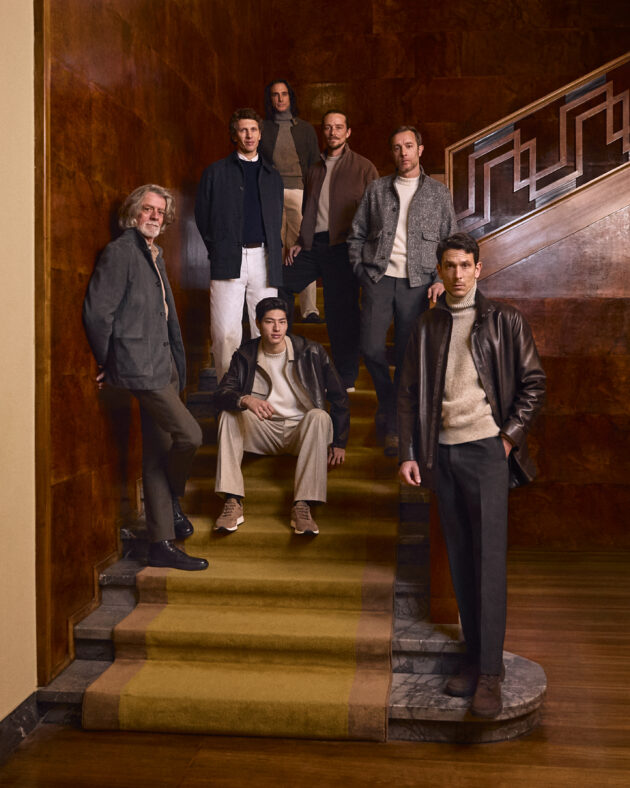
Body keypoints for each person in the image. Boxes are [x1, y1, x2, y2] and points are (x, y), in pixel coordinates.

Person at [397, 232, 545, 718]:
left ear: (478, 269)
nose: (458, 274)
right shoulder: (426, 326)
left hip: (486, 451)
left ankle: (490, 673)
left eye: (465, 265)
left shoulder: (505, 320)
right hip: (442, 453)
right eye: (450, 266)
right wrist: (409, 452)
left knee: (488, 562)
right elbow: (408, 393)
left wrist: (507, 439)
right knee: (461, 560)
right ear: (440, 271)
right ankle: (473, 655)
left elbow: (534, 383)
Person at [83, 184, 208, 571]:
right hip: (141, 367)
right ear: (133, 212)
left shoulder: (153, 254)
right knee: (191, 435)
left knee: (156, 453)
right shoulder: (121, 251)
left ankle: (160, 543)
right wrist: (108, 361)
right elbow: (98, 313)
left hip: (164, 364)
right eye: (148, 209)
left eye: (160, 212)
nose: (155, 216)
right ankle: (171, 499)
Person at [348, 125, 458, 455]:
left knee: (408, 355)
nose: (403, 153)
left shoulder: (439, 193)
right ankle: (389, 403)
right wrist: (361, 271)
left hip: (419, 284)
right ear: (392, 152)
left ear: (420, 150)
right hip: (379, 279)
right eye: (397, 147)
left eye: (409, 146)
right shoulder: (377, 189)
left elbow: (450, 241)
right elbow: (356, 234)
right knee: (370, 348)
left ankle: (394, 421)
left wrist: (440, 280)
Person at [213, 296, 349, 536]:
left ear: (287, 324)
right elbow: (222, 393)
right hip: (263, 430)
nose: (276, 328)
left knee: (319, 416)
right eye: (269, 322)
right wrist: (245, 399)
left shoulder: (311, 351)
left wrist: (339, 441)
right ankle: (233, 501)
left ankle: (303, 505)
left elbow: (339, 396)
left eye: (282, 322)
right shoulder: (245, 354)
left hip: (301, 431)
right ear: (258, 323)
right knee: (229, 414)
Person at [282, 110, 379, 390]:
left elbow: (377, 212)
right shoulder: (314, 169)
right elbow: (309, 209)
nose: (332, 132)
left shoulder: (364, 167)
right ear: (323, 132)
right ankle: (283, 354)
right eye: (327, 127)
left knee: (341, 313)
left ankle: (346, 378)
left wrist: (365, 250)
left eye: (338, 127)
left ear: (348, 132)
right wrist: (300, 241)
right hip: (313, 245)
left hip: (344, 247)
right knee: (280, 284)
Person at [195, 108, 284, 382]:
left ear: (260, 134)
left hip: (264, 259)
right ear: (235, 135)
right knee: (225, 333)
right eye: (243, 130)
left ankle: (264, 391)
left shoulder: (273, 176)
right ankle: (228, 392)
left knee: (266, 330)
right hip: (227, 257)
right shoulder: (215, 172)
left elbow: (276, 218)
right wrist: (219, 247)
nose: (249, 135)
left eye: (253, 129)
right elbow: (202, 216)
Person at [260, 78, 321, 323]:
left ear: (290, 97)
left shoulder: (305, 129)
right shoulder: (262, 127)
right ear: (270, 99)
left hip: (299, 191)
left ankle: (309, 309)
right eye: (275, 94)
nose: (280, 98)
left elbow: (315, 165)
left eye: (284, 94)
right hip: (271, 193)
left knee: (303, 249)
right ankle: (271, 305)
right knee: (272, 248)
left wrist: (312, 197)